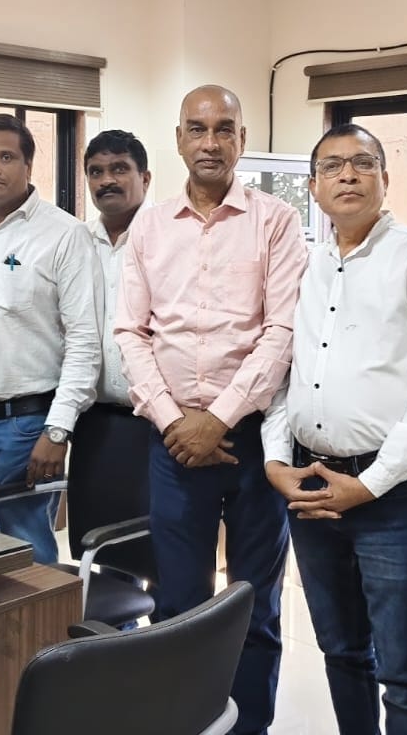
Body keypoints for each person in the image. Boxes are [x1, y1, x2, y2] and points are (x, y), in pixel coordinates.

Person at [116, 85, 308, 735]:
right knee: (177, 604)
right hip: (172, 445)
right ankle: (185, 724)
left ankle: (249, 727)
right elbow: (130, 332)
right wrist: (175, 423)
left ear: (242, 141)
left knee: (256, 603)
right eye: (197, 129)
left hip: (252, 442)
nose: (210, 142)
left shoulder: (276, 222)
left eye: (224, 128)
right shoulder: (148, 226)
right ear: (178, 140)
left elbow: (281, 331)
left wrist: (218, 419)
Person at [262, 123, 407, 735]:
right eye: (331, 166)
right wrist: (275, 460)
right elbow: (285, 369)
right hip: (311, 485)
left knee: (404, 669)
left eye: (362, 163)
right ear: (313, 187)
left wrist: (371, 484)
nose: (347, 175)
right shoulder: (307, 265)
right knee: (341, 650)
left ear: (385, 177)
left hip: (391, 494)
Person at [0, 113, 99, 564]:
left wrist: (58, 430)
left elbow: (84, 341)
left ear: (29, 165)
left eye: (6, 157)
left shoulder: (64, 234)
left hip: (27, 425)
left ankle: (41, 616)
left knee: (27, 550)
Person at [69, 129, 153, 561]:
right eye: (96, 171)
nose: (107, 180)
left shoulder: (167, 237)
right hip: (94, 422)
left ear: (145, 178)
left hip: (157, 423)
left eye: (120, 169)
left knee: (159, 547)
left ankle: (166, 611)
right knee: (97, 545)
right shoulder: (76, 241)